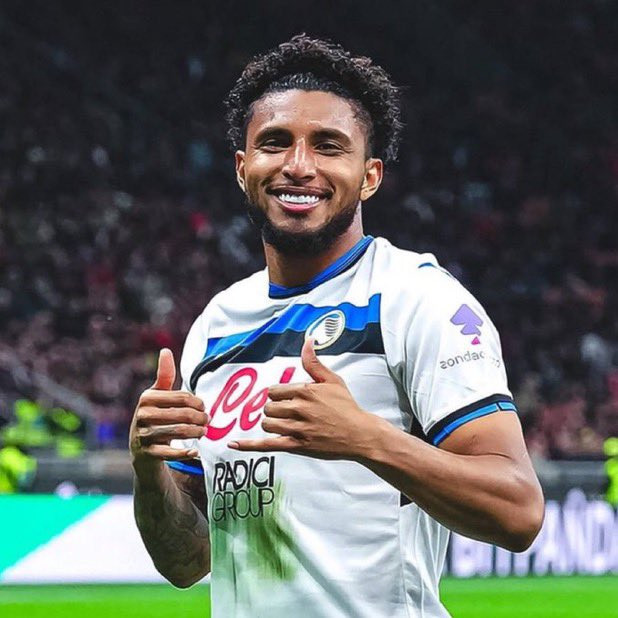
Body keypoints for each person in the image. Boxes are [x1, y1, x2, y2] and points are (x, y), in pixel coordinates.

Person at [130, 35, 544, 618]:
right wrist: (148, 468)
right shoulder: (216, 325)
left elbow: (518, 512)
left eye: (328, 146)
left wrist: (364, 438)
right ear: (244, 169)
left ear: (369, 176)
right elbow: (187, 562)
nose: (299, 165)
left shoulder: (416, 298)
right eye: (275, 143)